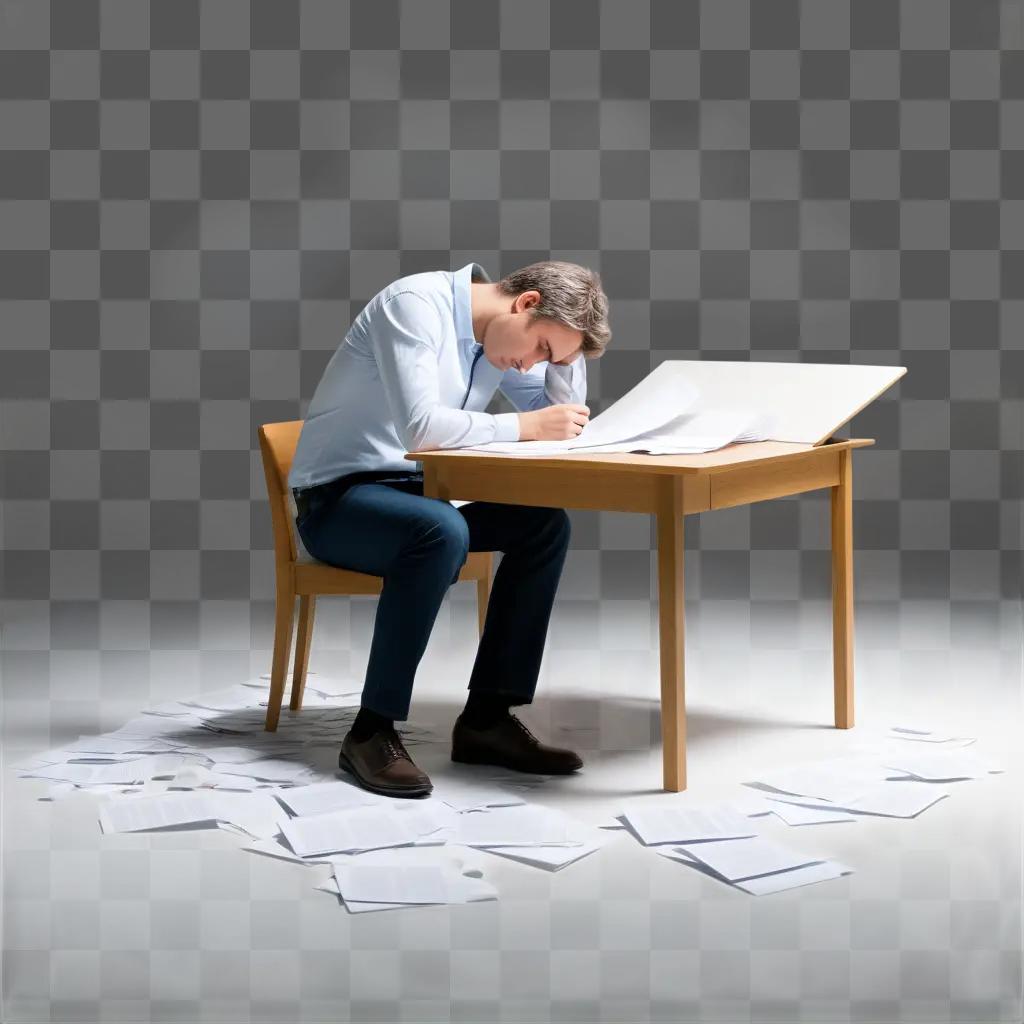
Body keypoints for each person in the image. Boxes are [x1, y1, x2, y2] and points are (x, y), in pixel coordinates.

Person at [288, 260, 612, 797]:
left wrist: (566, 359)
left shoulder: (499, 338)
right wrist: (523, 426)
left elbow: (561, 418)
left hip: (423, 495)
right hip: (338, 500)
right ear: (526, 304)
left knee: (543, 524)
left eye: (546, 358)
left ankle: (488, 717)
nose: (532, 365)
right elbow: (422, 428)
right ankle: (370, 731)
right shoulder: (413, 307)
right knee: (440, 530)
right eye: (541, 349)